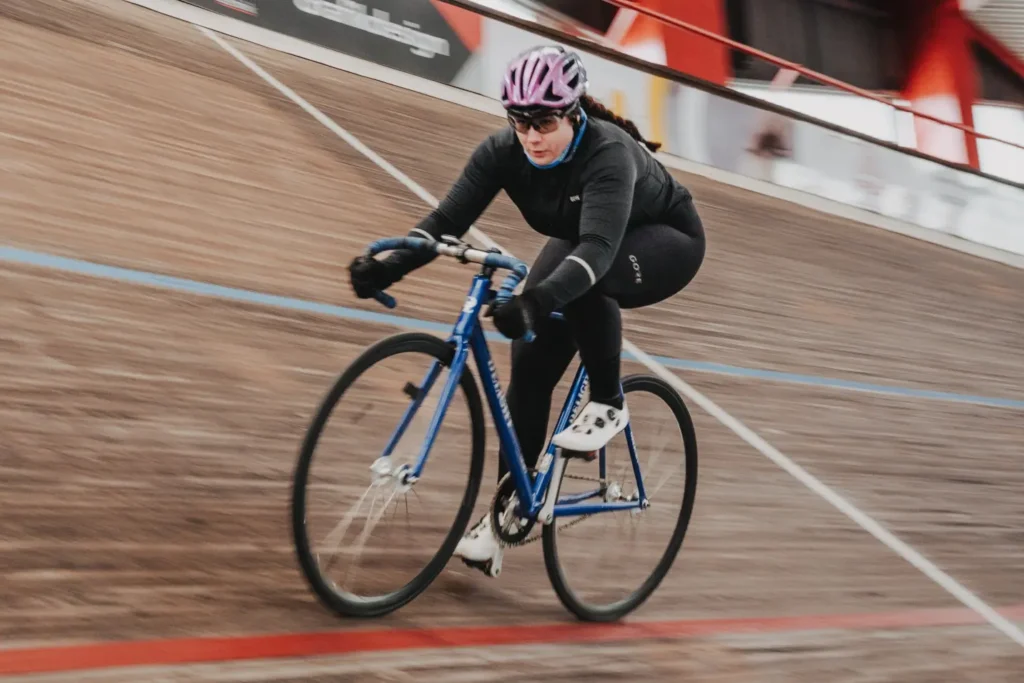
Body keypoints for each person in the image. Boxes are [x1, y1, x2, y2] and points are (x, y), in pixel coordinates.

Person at [348, 45, 706, 575]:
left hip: (664, 242)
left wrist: (536, 300)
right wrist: (391, 266)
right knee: (530, 365)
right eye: (520, 120)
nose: (531, 135)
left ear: (573, 112)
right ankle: (505, 515)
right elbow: (446, 219)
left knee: (584, 283)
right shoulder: (503, 151)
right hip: (588, 240)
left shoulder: (608, 154)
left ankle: (608, 402)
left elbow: (596, 254)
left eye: (543, 121)